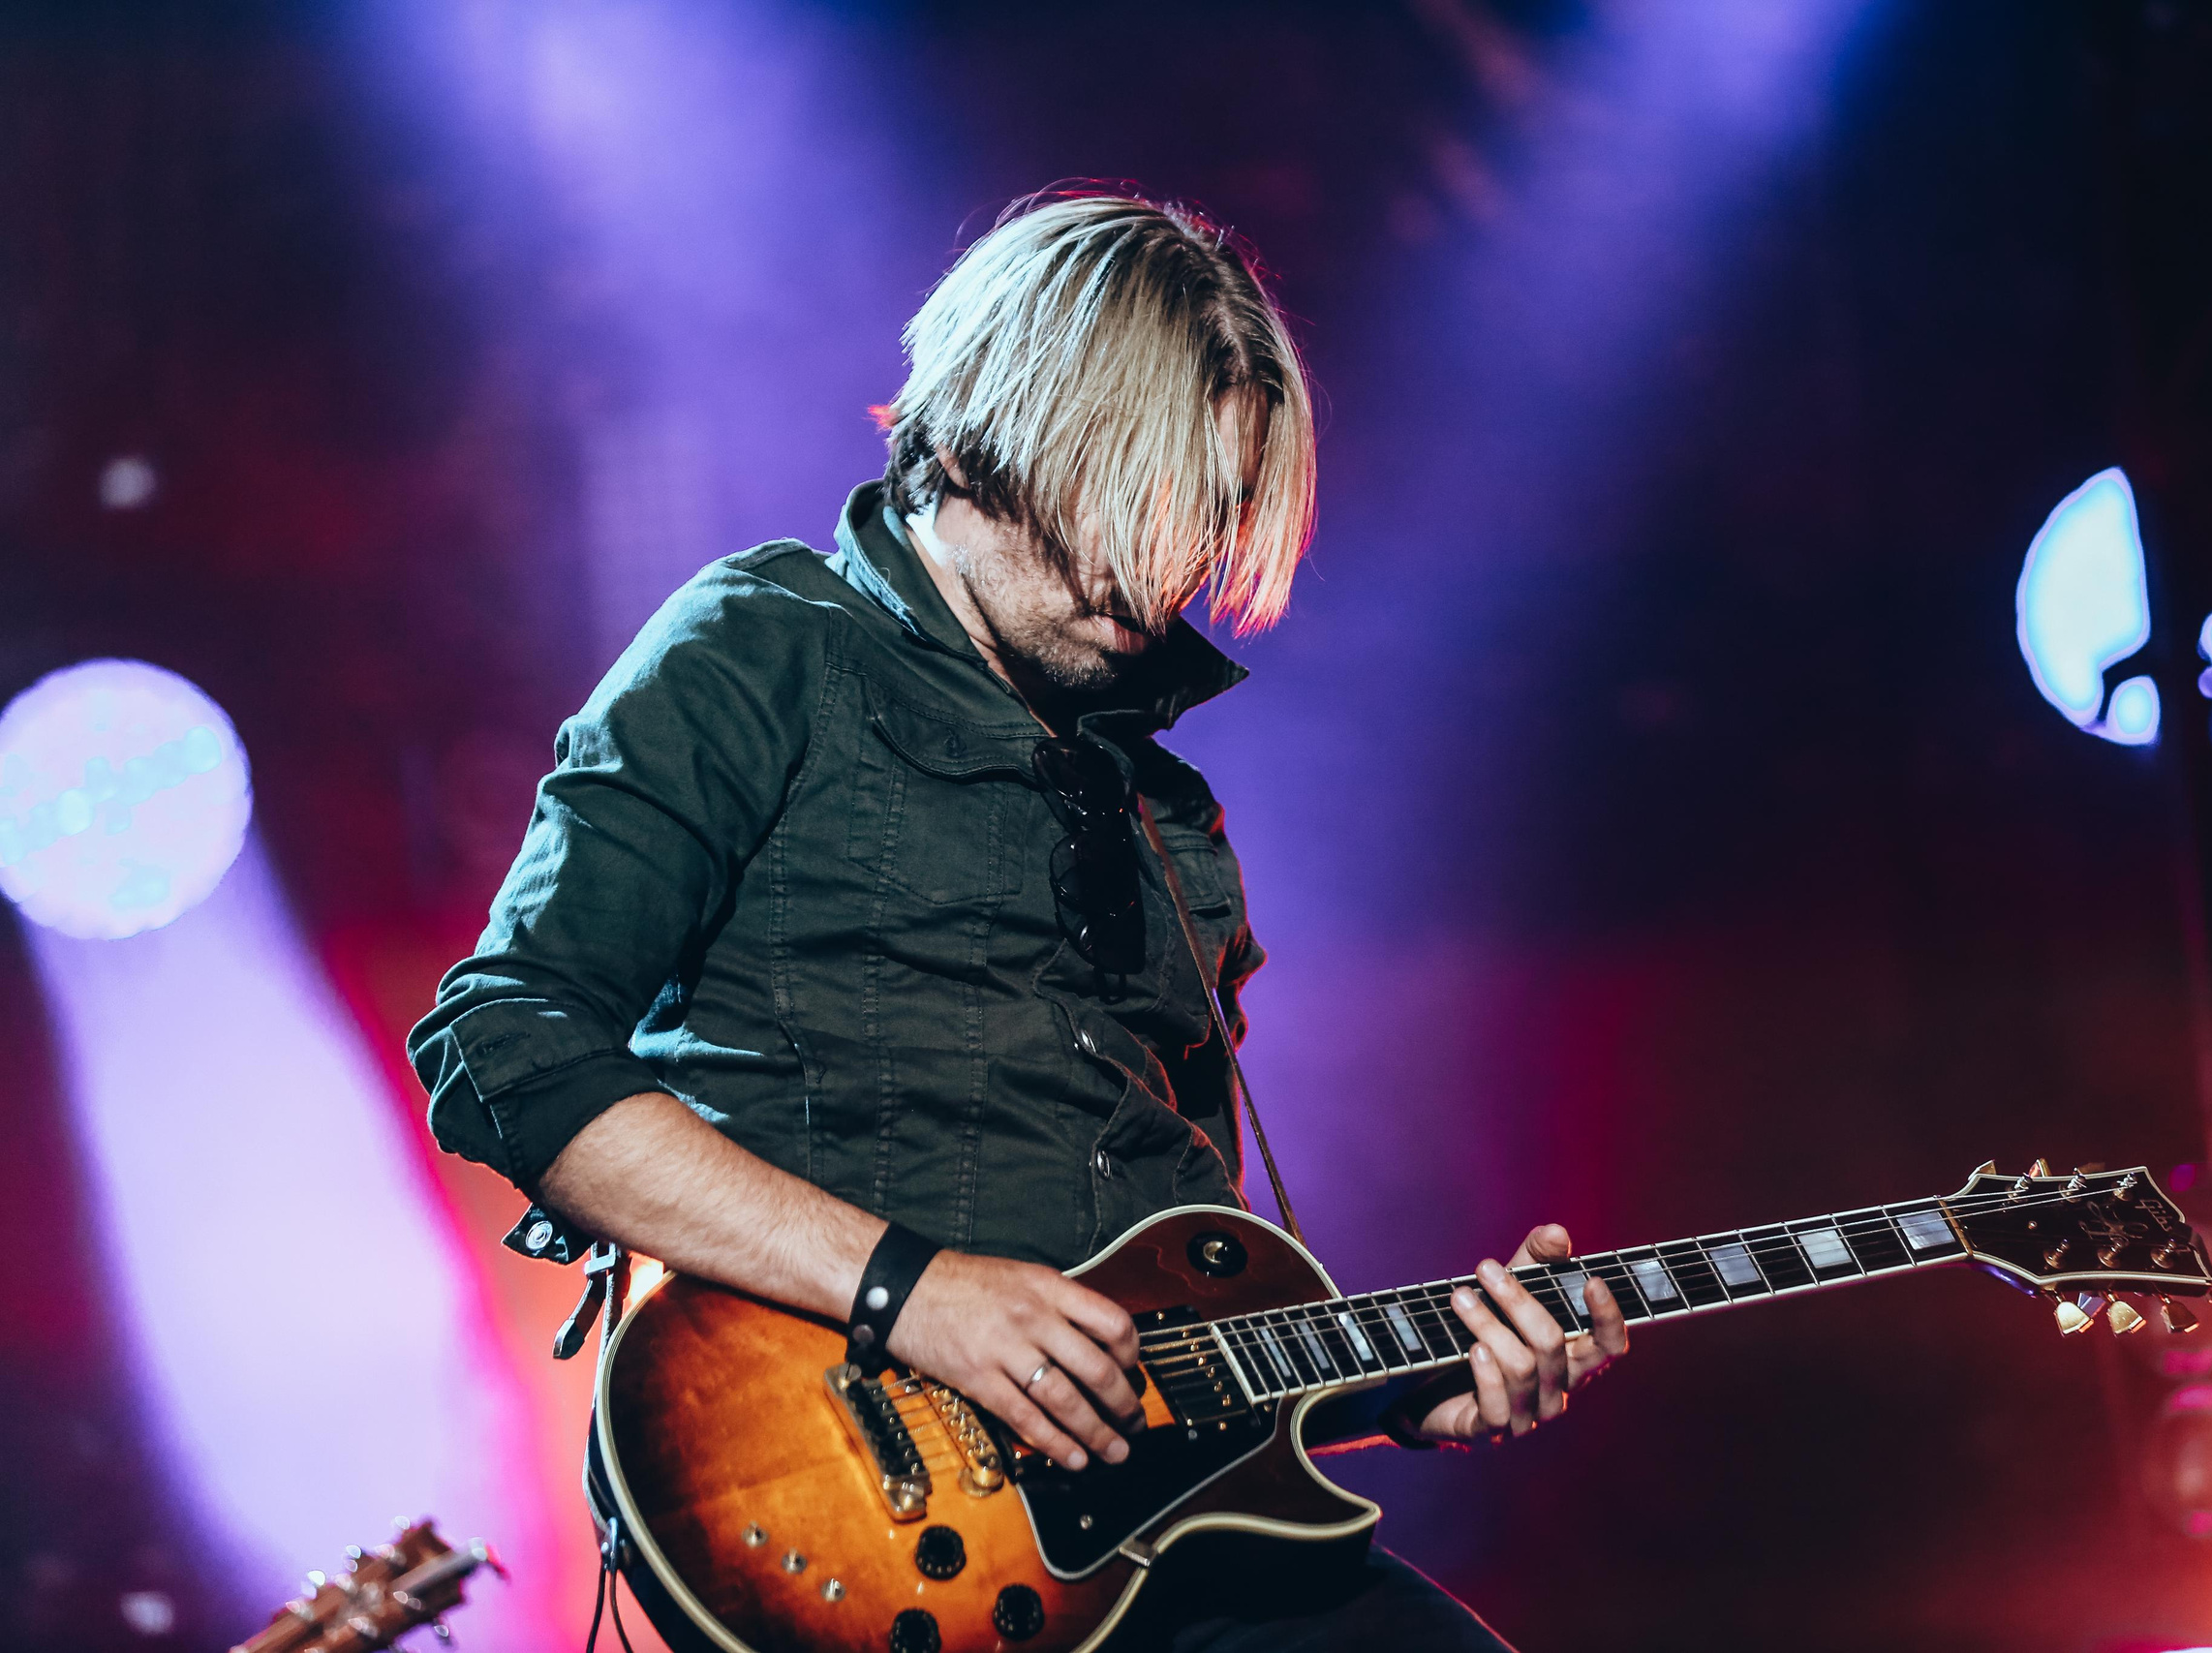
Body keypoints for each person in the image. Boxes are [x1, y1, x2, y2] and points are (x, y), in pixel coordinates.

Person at [410, 192, 1628, 1651]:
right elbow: (505, 1044)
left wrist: (1412, 1383)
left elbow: (1181, 1292)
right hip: (866, 1510)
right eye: (1144, 501)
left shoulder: (1166, 816)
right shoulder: (761, 649)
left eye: (1213, 519)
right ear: (1001, 425)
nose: (1172, 573)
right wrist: (907, 1292)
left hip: (1145, 1543)